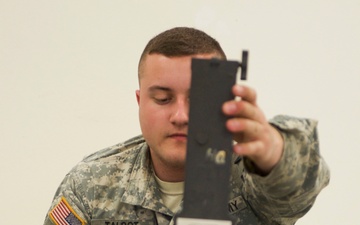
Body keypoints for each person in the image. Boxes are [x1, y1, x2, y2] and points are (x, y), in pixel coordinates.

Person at [43, 27, 330, 225]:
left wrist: (277, 152)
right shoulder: (91, 186)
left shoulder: (250, 178)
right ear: (140, 101)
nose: (181, 115)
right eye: (163, 98)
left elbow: (299, 187)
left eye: (198, 99)